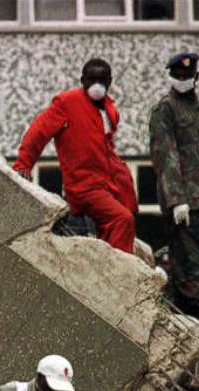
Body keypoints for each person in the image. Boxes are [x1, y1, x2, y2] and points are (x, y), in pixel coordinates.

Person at [14, 59, 138, 253]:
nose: (97, 84)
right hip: (84, 185)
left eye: (102, 79)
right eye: (91, 79)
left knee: (126, 213)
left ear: (110, 81)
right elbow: (38, 133)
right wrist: (23, 164)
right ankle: (119, 274)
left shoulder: (109, 109)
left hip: (110, 182)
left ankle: (106, 266)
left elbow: (106, 148)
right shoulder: (66, 102)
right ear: (83, 80)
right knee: (121, 218)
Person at [148, 52, 199, 330]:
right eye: (176, 76)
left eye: (186, 76)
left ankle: (190, 324)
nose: (182, 80)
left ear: (196, 77)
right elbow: (165, 155)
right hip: (184, 205)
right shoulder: (165, 109)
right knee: (193, 266)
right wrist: (177, 200)